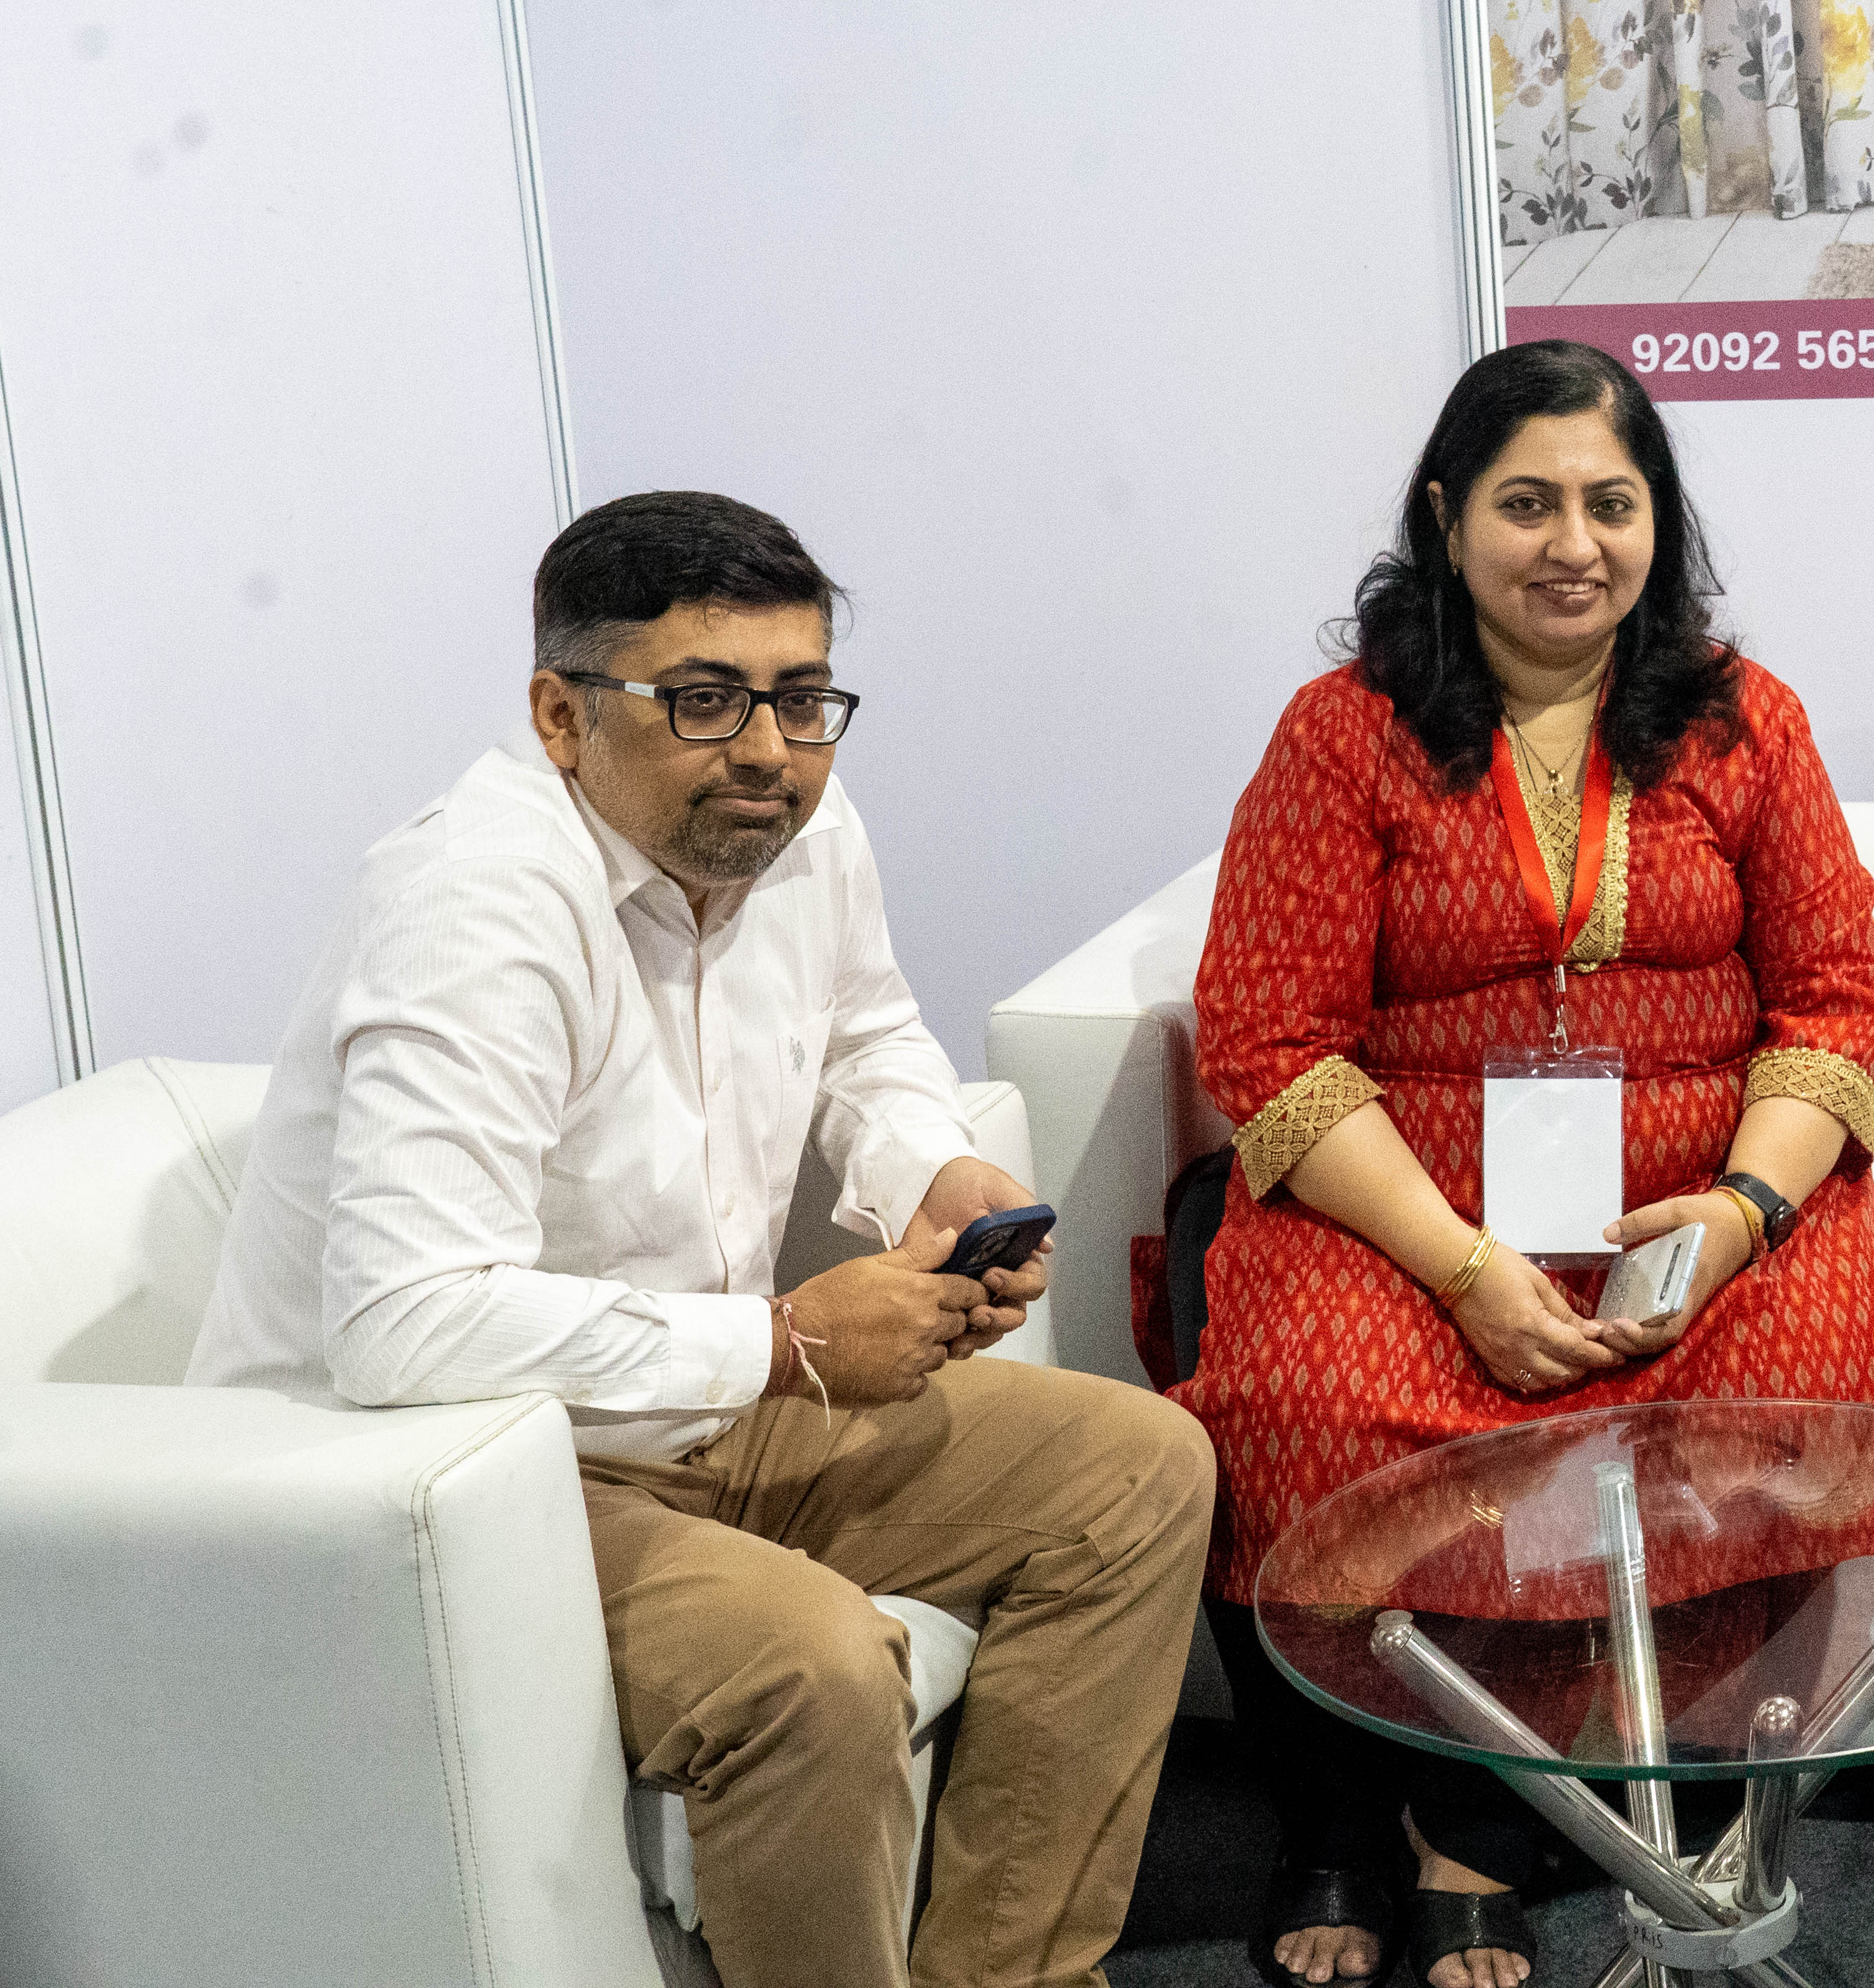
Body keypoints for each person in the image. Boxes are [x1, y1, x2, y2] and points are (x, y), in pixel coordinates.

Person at [188, 489, 1213, 1988]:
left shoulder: (797, 822)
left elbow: (867, 1031)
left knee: (1139, 1472)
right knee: (811, 1664)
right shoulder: (475, 905)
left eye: (802, 697)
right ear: (561, 714)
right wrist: (788, 1342)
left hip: (704, 1403)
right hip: (465, 1471)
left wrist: (929, 1167)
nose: (769, 749)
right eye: (705, 698)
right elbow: (405, 1319)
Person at [1164, 342, 1874, 1988]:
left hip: (1701, 1202)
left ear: (1658, 523)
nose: (1574, 544)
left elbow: (1836, 994)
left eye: (1611, 503)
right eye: (1528, 504)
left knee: (1817, 1372)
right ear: (1447, 519)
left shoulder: (1745, 719)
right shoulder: (1344, 735)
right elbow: (1273, 1039)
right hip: (1410, 1208)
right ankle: (1340, 1821)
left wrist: (1741, 1214)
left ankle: (1511, 1829)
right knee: (1301, 1398)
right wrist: (1460, 1267)